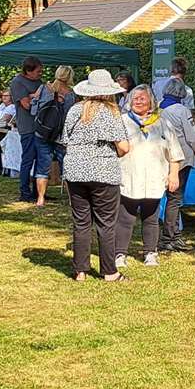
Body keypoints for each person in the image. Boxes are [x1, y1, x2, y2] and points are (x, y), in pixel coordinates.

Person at [60, 70, 132, 282]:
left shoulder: (75, 110)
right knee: (106, 223)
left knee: (81, 222)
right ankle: (110, 271)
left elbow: (66, 140)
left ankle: (80, 270)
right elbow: (124, 147)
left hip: (75, 170)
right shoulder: (111, 112)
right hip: (103, 172)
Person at [115, 84, 185, 268]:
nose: (138, 101)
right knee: (126, 218)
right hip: (129, 177)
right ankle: (119, 254)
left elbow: (174, 152)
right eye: (135, 98)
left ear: (151, 102)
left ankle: (150, 253)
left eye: (142, 98)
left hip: (155, 178)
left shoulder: (162, 123)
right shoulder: (122, 121)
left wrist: (174, 175)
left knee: (151, 218)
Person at [157, 77, 195, 251]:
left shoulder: (157, 108)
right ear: (182, 93)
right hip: (181, 158)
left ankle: (168, 235)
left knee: (165, 197)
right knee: (175, 199)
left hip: (161, 157)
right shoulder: (182, 110)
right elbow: (193, 136)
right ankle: (171, 237)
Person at [28, 66, 75, 207]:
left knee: (42, 167)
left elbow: (33, 111)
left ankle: (40, 199)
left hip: (42, 133)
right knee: (66, 168)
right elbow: (70, 118)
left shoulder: (43, 89)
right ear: (70, 77)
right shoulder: (70, 94)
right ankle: (72, 200)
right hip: (61, 136)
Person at [7, 57, 46, 203]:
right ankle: (25, 192)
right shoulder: (18, 82)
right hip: (28, 127)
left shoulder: (38, 82)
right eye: (38, 71)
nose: (40, 73)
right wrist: (35, 97)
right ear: (28, 71)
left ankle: (39, 191)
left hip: (41, 127)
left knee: (41, 160)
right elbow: (27, 105)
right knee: (28, 159)